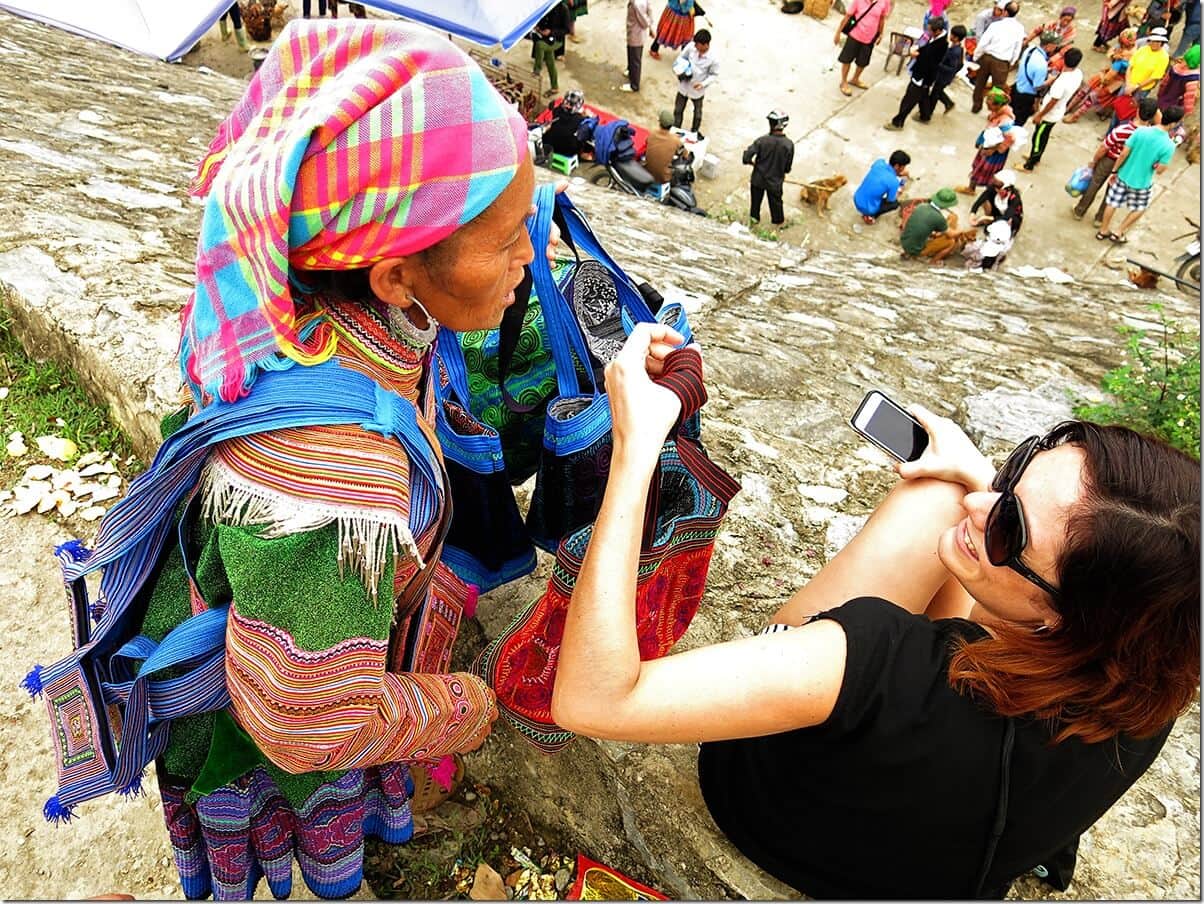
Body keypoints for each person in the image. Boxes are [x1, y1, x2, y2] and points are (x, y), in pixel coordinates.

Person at [549, 322, 1201, 898]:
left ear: (1064, 616)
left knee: (931, 502)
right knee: (951, 497)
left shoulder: (873, 656)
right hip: (944, 875)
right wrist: (980, 482)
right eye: (1018, 466)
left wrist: (636, 450)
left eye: (1008, 528)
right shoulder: (1158, 655)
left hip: (775, 822)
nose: (984, 503)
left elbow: (596, 701)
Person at [132, 19, 552, 900]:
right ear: (395, 276)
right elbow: (303, 721)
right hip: (269, 701)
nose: (531, 255)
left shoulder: (290, 307)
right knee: (299, 780)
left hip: (305, 618)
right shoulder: (333, 487)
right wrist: (468, 710)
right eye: (509, 235)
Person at [1097, 103, 1183, 241]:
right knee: (1140, 208)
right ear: (1173, 124)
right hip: (1142, 182)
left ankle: (1103, 230)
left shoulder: (1141, 131)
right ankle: (1118, 232)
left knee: (1112, 203)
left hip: (1123, 174)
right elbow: (1160, 170)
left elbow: (1124, 153)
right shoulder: (1169, 145)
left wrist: (1114, 171)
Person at [1071, 94, 1148, 222]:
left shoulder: (1122, 130)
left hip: (1110, 159)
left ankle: (1080, 211)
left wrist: (1094, 160)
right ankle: (1100, 218)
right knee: (1112, 191)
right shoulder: (1147, 136)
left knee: (1094, 184)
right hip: (1126, 165)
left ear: (1138, 111)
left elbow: (1104, 147)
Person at [1023, 47, 1085, 169]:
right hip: (1058, 111)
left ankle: (1030, 164)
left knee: (1038, 138)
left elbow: (1053, 101)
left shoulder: (1061, 82)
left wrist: (1040, 115)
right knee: (1044, 136)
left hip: (1049, 114)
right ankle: (1035, 157)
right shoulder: (1078, 74)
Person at [885, 16, 951, 128]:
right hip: (924, 76)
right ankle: (925, 116)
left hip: (923, 76)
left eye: (930, 30)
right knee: (923, 95)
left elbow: (929, 61)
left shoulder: (941, 45)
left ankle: (898, 123)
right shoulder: (936, 39)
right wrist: (918, 51)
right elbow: (926, 50)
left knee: (909, 100)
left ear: (938, 31)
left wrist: (917, 55)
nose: (928, 32)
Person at [1064, 26, 1139, 120]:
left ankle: (1075, 115)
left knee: (1093, 95)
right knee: (1087, 89)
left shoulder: (1126, 56)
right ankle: (1068, 109)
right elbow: (1110, 52)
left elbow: (1110, 76)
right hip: (1112, 74)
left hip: (1118, 79)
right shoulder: (1129, 48)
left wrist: (1103, 82)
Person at [957, 87, 1022, 193]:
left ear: (998, 105)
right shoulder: (996, 113)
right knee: (978, 166)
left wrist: (995, 149)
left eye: (989, 104)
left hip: (994, 152)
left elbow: (1010, 138)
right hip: (987, 146)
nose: (987, 106)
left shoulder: (1005, 120)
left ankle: (988, 195)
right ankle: (971, 188)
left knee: (989, 173)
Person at [972, 1, 1026, 112]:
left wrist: (976, 56)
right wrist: (1012, 62)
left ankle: (976, 105)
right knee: (998, 89)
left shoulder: (995, 25)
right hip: (1002, 62)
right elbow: (1017, 48)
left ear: (1005, 12)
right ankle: (994, 111)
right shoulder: (1020, 29)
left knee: (980, 83)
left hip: (987, 57)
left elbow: (983, 42)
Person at [743, 111, 795, 225]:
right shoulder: (788, 145)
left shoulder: (762, 141)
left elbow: (746, 157)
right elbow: (787, 168)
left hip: (758, 180)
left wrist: (752, 163)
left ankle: (754, 221)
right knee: (776, 204)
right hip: (775, 182)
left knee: (755, 204)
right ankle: (778, 223)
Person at [834, 0, 894, 96]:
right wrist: (838, 33)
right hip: (854, 36)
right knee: (847, 60)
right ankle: (844, 82)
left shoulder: (885, 2)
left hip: (869, 39)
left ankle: (855, 79)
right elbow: (847, 16)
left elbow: (882, 19)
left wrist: (880, 34)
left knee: (863, 62)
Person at [899, 187, 974, 262]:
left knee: (943, 229)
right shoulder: (938, 218)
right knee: (950, 242)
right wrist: (961, 231)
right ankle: (933, 262)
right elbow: (951, 235)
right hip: (915, 249)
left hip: (904, 242)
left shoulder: (921, 206)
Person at [672, 28, 718, 136]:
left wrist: (703, 84)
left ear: (706, 45)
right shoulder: (691, 47)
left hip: (697, 90)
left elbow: (714, 75)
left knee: (697, 114)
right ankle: (675, 131)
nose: (696, 47)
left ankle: (694, 133)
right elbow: (681, 58)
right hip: (684, 86)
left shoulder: (713, 59)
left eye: (698, 45)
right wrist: (681, 70)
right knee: (678, 110)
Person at [1011, 32, 1060, 124]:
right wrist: (1051, 80)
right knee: (1018, 121)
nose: (1056, 47)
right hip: (1025, 97)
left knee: (1010, 115)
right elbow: (1037, 86)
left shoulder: (1031, 49)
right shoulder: (1041, 64)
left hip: (1017, 87)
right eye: (1055, 45)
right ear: (1049, 46)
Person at [854, 149, 911, 222]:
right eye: (904, 166)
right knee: (895, 204)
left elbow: (880, 175)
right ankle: (871, 216)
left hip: (856, 198)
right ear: (897, 166)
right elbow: (890, 200)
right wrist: (900, 189)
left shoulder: (879, 162)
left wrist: (897, 174)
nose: (904, 169)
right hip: (866, 208)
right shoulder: (894, 182)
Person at [531, 1, 572, 98]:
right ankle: (554, 87)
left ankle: (537, 69)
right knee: (550, 64)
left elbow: (566, 30)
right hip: (544, 38)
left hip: (556, 41)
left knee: (540, 45)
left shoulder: (563, 9)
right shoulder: (544, 6)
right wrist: (538, 27)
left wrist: (551, 32)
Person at [971, 168, 1025, 234]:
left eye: (998, 185)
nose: (996, 188)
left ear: (1008, 188)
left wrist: (987, 218)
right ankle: (990, 221)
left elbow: (1007, 216)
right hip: (997, 212)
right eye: (994, 183)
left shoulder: (1015, 198)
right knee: (985, 201)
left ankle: (994, 223)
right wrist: (973, 213)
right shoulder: (994, 188)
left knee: (1006, 223)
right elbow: (980, 200)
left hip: (1010, 217)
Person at [929, 24, 969, 113]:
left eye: (952, 35)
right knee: (938, 92)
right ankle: (948, 103)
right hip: (945, 76)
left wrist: (938, 64)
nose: (950, 36)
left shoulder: (955, 52)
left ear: (956, 38)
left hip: (943, 77)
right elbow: (960, 64)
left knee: (934, 94)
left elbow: (952, 68)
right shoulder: (957, 48)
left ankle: (928, 112)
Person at [1126, 26, 1172, 97]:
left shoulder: (1164, 57)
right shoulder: (1143, 49)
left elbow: (1154, 77)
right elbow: (1130, 66)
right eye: (1153, 40)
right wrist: (1128, 83)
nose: (1154, 43)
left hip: (1142, 89)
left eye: (1157, 41)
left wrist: (1136, 86)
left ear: (1162, 43)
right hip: (1128, 84)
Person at [1156, 41, 1200, 113]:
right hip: (1175, 107)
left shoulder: (1175, 67)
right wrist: (1188, 111)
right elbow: (1189, 98)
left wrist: (1160, 94)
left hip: (1163, 99)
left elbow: (1164, 83)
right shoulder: (1193, 77)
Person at [543, 88, 588, 157]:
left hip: (551, 145)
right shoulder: (580, 119)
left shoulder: (556, 111)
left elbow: (561, 109)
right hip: (567, 151)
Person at [621, 0, 654, 92]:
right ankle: (631, 71)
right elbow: (649, 11)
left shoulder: (637, 4)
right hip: (635, 32)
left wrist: (649, 25)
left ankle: (634, 85)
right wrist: (651, 27)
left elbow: (644, 22)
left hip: (636, 33)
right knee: (631, 54)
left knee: (635, 58)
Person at [644, 109, 685, 182]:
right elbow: (685, 155)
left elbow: (647, 142)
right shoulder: (676, 140)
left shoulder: (652, 134)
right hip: (664, 178)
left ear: (659, 122)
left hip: (647, 173)